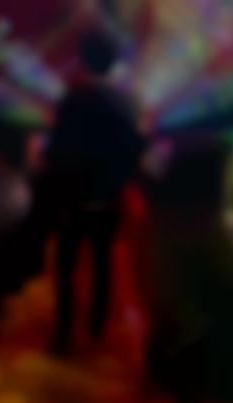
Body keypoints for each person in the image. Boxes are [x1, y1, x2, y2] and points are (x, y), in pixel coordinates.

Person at [47, 28, 144, 353]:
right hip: (107, 199)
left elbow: (58, 152)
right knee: (103, 265)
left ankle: (64, 332)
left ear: (83, 60)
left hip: (73, 198)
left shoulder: (71, 100)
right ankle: (96, 328)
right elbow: (133, 151)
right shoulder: (125, 104)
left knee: (66, 267)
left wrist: (57, 192)